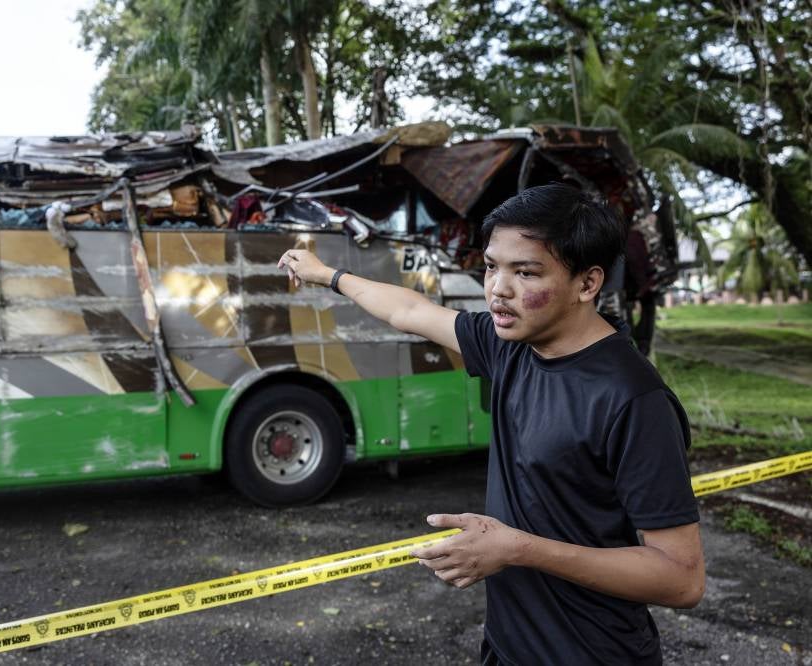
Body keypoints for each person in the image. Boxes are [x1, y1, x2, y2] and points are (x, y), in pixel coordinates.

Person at [277, 183, 704, 665]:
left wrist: (519, 549)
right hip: (507, 647)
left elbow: (681, 578)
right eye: (491, 267)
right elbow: (409, 310)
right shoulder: (510, 345)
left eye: (525, 272)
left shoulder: (633, 399)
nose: (498, 289)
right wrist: (325, 274)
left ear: (587, 284)